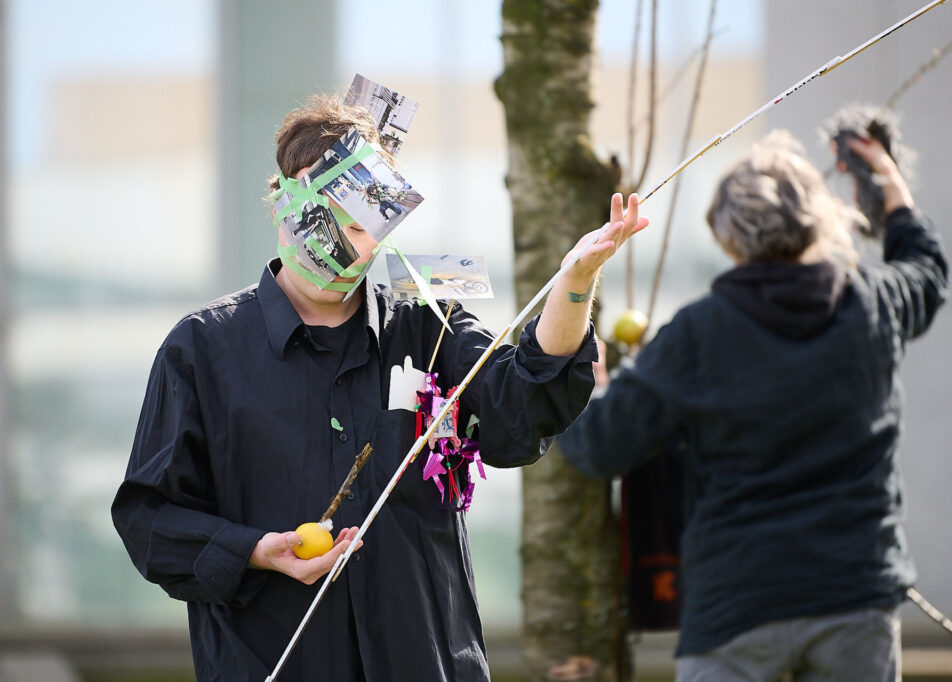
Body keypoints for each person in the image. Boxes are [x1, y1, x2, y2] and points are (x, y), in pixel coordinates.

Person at [111, 93, 648, 681]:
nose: (349, 244)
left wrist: (574, 285)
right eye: (332, 218)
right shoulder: (201, 349)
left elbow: (518, 410)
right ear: (284, 201)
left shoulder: (426, 319)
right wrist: (255, 549)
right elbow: (150, 518)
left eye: (367, 227)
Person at [558, 129, 948, 682]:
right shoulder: (873, 304)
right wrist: (889, 183)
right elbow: (928, 273)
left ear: (725, 235)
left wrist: (592, 380)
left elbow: (595, 447)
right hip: (855, 596)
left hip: (734, 608)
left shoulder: (696, 335)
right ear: (819, 218)